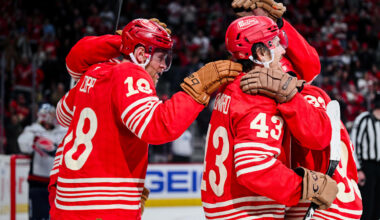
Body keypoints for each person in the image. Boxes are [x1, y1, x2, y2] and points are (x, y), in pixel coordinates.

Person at [48, 18, 241, 220]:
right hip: (104, 205)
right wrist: (198, 87)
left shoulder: (94, 73)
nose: (163, 66)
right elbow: (159, 127)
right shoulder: (130, 72)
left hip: (67, 200)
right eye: (161, 58)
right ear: (140, 54)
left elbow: (62, 114)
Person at [232, 1, 362, 218]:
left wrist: (276, 23)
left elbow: (316, 136)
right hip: (319, 197)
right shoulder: (302, 96)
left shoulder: (308, 97)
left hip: (328, 200)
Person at [200, 15, 338, 219]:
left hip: (224, 205)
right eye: (276, 43)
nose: (283, 49)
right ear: (261, 53)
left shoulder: (229, 86)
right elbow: (253, 167)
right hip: (249, 209)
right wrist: (305, 187)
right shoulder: (257, 93)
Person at [17, 103, 67, 220]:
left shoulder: (62, 131)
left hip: (57, 184)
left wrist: (51, 146)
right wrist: (36, 140)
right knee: (36, 217)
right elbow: (23, 145)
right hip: (37, 183)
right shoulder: (33, 130)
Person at [350, 92, 380, 220]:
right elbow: (354, 143)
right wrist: (358, 169)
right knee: (367, 202)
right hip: (367, 166)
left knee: (378, 204)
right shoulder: (364, 119)